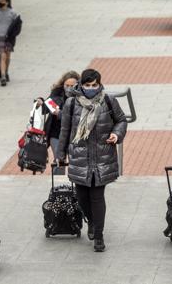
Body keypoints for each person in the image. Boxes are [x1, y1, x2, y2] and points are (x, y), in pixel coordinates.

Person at [57, 68, 127, 252]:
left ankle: (99, 235)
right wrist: (60, 154)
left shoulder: (108, 101)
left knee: (97, 196)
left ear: (99, 84)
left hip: (102, 158)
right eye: (87, 85)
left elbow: (121, 121)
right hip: (80, 157)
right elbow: (64, 130)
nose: (91, 88)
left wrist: (116, 134)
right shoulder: (71, 104)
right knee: (81, 197)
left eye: (94, 85)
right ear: (81, 85)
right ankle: (91, 222)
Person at [36, 71, 81, 175]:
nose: (69, 88)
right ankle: (58, 184)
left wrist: (60, 113)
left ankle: (77, 184)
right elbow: (46, 108)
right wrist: (41, 102)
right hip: (56, 133)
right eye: (67, 85)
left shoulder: (81, 96)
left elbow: (78, 116)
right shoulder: (57, 92)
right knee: (59, 159)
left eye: (72, 86)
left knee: (76, 160)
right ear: (63, 84)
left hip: (74, 134)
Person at [0, 0, 21, 86]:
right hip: (0, 36)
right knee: (2, 56)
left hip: (9, 37)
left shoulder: (13, 13)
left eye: (3, 0)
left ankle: (6, 72)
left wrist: (14, 34)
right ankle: (3, 76)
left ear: (7, 2)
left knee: (7, 57)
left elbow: (17, 25)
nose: (1, 2)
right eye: (0, 0)